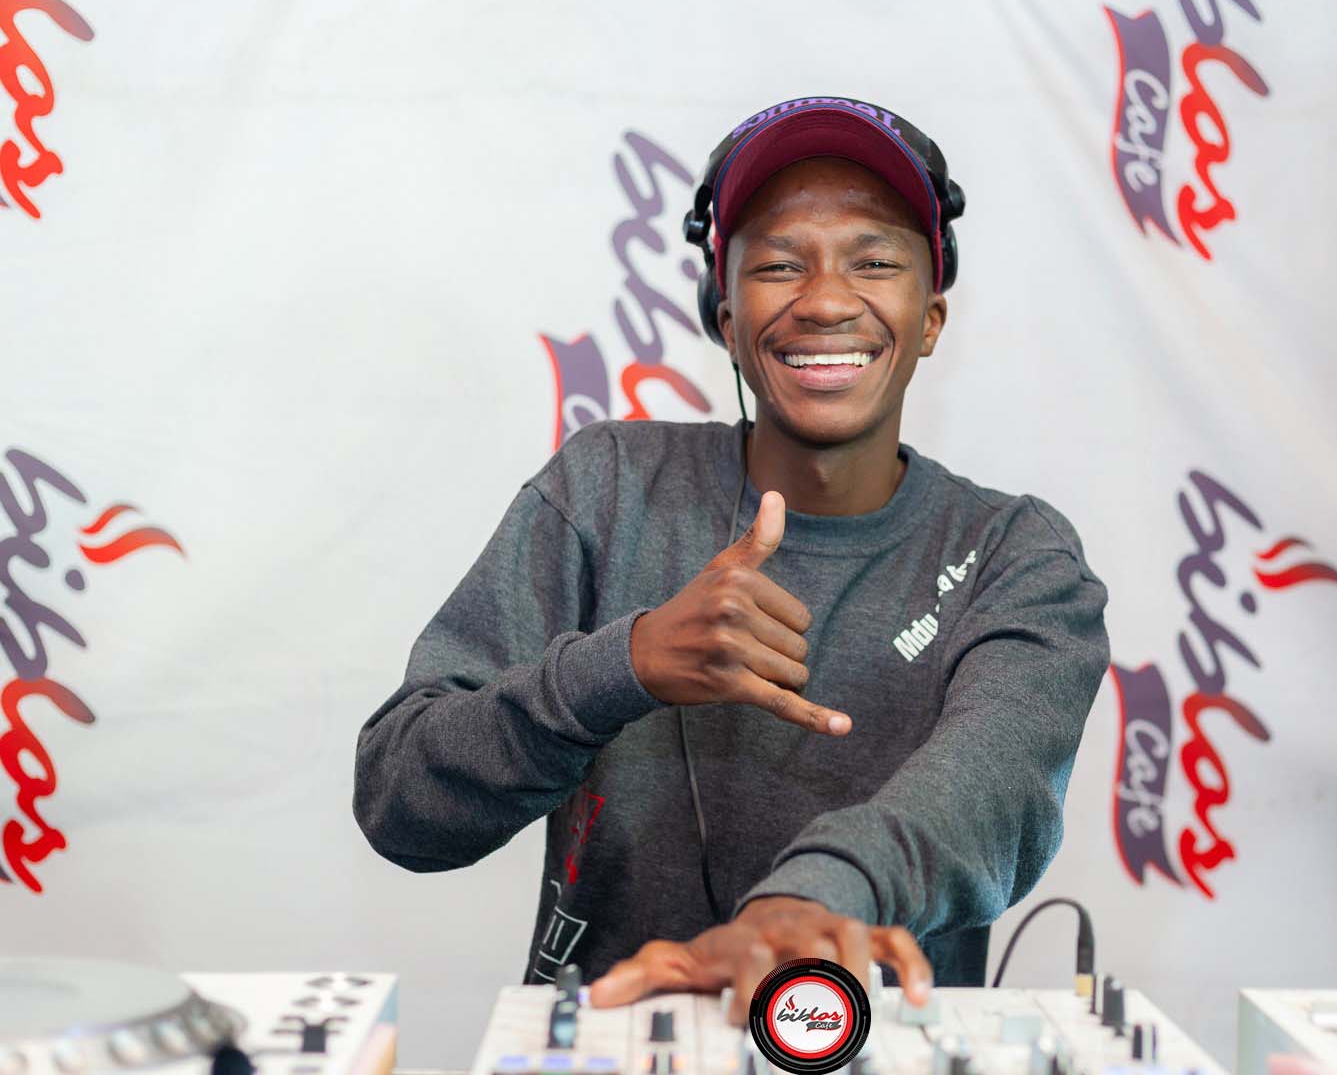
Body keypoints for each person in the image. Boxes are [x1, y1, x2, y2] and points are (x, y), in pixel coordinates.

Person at [351, 95, 1110, 1025]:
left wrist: (807, 903)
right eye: (780, 264)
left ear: (930, 317)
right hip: (616, 1036)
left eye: (874, 262)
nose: (825, 300)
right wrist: (623, 665)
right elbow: (401, 805)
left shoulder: (1015, 556)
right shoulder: (607, 488)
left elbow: (993, 790)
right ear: (722, 313)